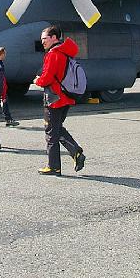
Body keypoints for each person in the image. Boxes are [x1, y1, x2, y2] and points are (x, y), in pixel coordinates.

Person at [34, 25, 86, 176]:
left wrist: (37, 80)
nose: (42, 42)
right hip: (66, 97)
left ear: (54, 38)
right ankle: (75, 152)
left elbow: (47, 78)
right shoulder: (65, 53)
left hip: (54, 99)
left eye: (45, 39)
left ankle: (54, 166)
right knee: (57, 128)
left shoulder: (53, 54)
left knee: (51, 133)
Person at [0, 46, 19, 127]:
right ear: (1, 54)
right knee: (3, 102)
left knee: (3, 102)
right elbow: (0, 78)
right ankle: (8, 119)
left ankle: (8, 119)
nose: (5, 56)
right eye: (4, 54)